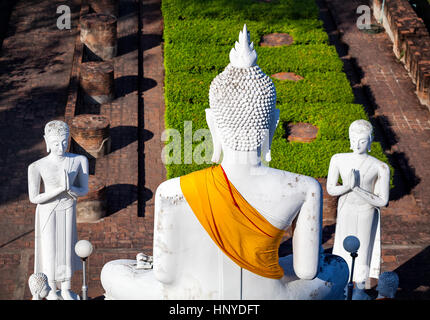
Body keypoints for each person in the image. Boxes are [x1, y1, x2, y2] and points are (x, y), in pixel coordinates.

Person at [101, 25, 349, 300]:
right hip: (269, 296)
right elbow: (305, 272)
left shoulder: (172, 191)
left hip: (190, 298)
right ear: (274, 122)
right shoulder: (304, 188)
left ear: (211, 122)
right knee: (337, 266)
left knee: (114, 271)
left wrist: (146, 267)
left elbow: (164, 275)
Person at [28, 120, 89, 300]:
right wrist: (58, 190)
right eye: (55, 143)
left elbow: (83, 189)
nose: (60, 147)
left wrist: (71, 190)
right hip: (47, 210)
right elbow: (34, 198)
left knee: (66, 248)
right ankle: (52, 289)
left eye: (64, 141)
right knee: (49, 250)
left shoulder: (79, 160)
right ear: (46, 141)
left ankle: (66, 287)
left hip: (68, 207)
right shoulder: (36, 166)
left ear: (68, 139)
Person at [327, 119, 390, 288]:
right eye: (353, 140)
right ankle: (341, 282)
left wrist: (356, 189)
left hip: (366, 211)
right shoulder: (338, 159)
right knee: (343, 246)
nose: (357, 144)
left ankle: (360, 287)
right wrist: (347, 186)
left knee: (362, 250)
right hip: (346, 208)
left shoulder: (380, 167)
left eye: (362, 141)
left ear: (370, 141)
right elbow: (331, 189)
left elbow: (383, 200)